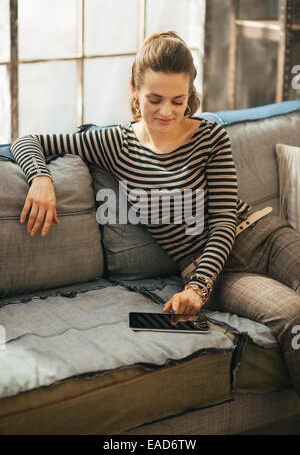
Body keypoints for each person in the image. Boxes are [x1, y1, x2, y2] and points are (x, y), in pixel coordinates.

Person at [10, 31, 300, 397]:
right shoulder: (115, 144)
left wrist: (197, 286)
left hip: (261, 234)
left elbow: (226, 217)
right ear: (134, 90)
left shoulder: (211, 137)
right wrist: (40, 177)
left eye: (178, 101)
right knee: (293, 316)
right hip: (217, 271)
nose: (166, 112)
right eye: (155, 99)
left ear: (190, 94)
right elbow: (27, 141)